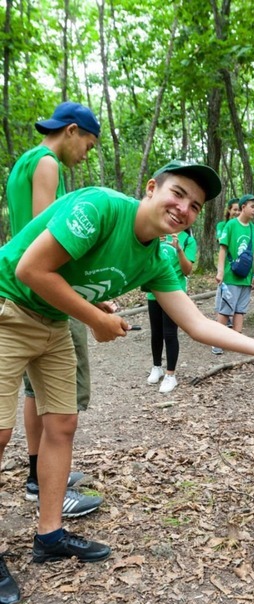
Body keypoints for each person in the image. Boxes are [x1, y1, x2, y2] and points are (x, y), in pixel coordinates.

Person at [0, 160, 254, 604]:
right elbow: (32, 269)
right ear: (151, 188)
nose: (184, 208)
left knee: (62, 423)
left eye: (195, 206)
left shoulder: (159, 256)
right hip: (8, 305)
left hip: (51, 321)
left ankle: (49, 535)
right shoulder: (101, 208)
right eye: (178, 194)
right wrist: (96, 318)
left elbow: (198, 323)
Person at [5, 101, 103, 520]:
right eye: (88, 144)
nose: (87, 154)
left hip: (23, 289)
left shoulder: (24, 161)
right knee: (59, 395)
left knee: (36, 391)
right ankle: (49, 487)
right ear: (71, 130)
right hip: (44, 291)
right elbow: (48, 228)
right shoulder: (48, 163)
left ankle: (37, 474)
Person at [146, 229, 197, 393]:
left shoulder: (188, 240)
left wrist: (179, 249)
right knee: (156, 332)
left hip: (175, 292)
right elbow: (147, 260)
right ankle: (157, 366)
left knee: (169, 332)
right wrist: (154, 244)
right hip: (154, 291)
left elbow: (187, 270)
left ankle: (170, 375)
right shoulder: (156, 235)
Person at [214, 194, 254, 339]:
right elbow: (223, 248)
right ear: (243, 207)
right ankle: (217, 340)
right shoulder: (231, 225)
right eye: (252, 207)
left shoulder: (253, 228)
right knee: (226, 309)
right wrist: (220, 271)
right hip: (231, 275)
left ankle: (237, 340)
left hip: (246, 277)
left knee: (240, 310)